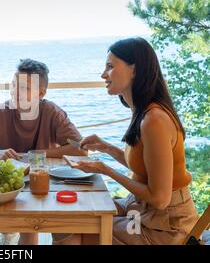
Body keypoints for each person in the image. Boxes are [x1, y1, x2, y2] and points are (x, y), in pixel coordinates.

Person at [53, 37, 199, 245]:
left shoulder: (154, 120)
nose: (103, 74)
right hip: (142, 210)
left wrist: (106, 169)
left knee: (76, 228)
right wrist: (107, 147)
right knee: (72, 216)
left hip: (166, 226)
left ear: (135, 70)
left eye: (110, 66)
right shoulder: (142, 111)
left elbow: (160, 198)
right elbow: (145, 169)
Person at [0, 58, 86, 245]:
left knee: (48, 226)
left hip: (45, 182)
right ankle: (11, 232)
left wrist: (38, 154)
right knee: (28, 227)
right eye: (14, 85)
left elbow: (80, 149)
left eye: (24, 88)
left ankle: (15, 233)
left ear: (40, 93)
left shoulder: (52, 112)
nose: (15, 91)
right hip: (10, 186)